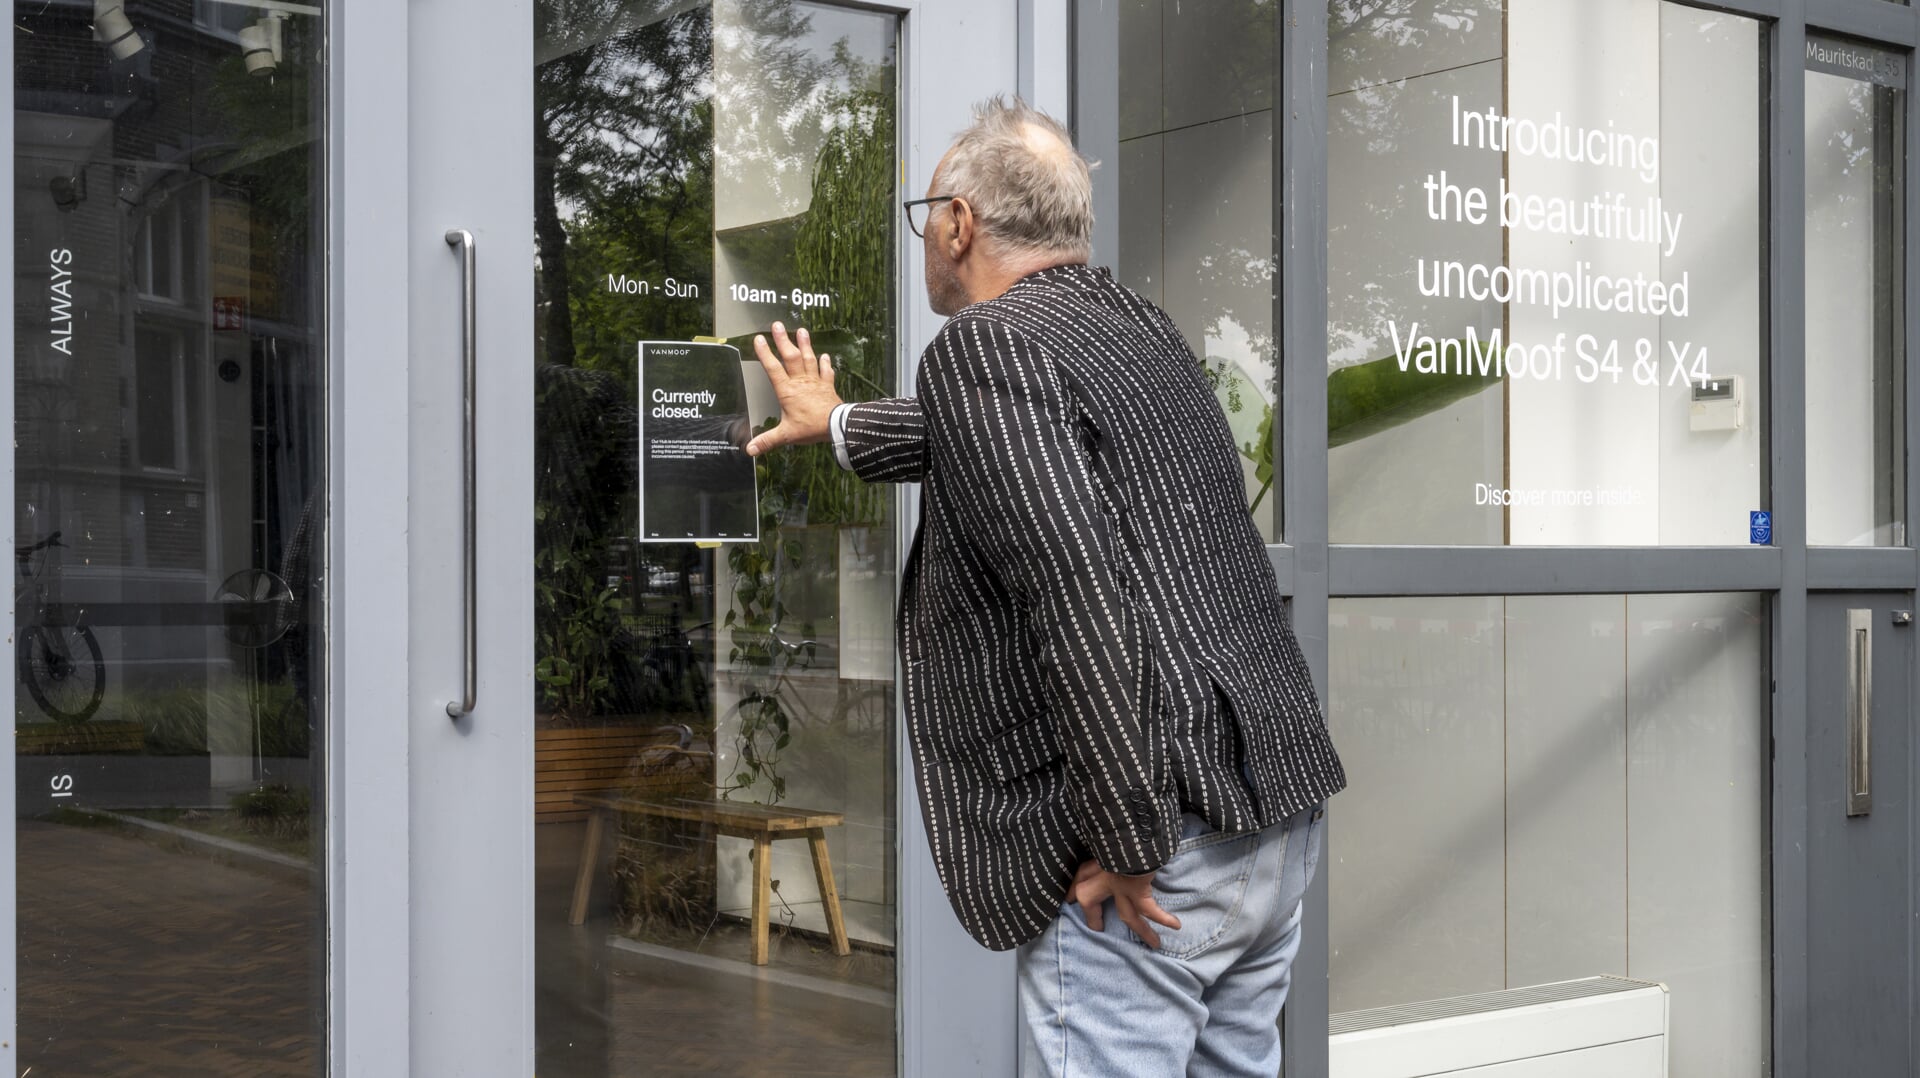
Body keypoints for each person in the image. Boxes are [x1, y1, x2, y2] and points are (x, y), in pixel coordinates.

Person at [744, 97, 1346, 1077]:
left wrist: (1130, 835)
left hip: (1157, 850)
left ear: (959, 222)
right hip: (1267, 806)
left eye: (924, 217)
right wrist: (844, 421)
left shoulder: (984, 350)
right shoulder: (1133, 325)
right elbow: (1032, 445)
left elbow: (1081, 598)